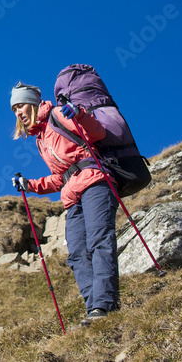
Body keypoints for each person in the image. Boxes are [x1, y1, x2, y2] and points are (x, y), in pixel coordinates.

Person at [9, 82, 120, 327]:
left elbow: (97, 134)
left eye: (21, 105)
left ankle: (105, 304)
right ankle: (94, 308)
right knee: (78, 253)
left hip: (94, 181)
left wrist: (79, 114)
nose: (18, 112)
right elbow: (61, 176)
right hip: (71, 196)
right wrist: (30, 185)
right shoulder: (40, 139)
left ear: (33, 103)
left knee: (99, 239)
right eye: (14, 108)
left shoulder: (59, 115)